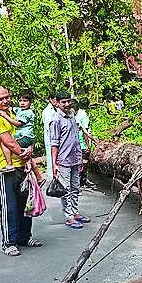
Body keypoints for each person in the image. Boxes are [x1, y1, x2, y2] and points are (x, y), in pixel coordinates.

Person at [0, 85, 42, 256]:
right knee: (9, 206)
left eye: (7, 97)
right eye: (1, 98)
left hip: (22, 166)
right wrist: (27, 156)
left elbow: (26, 133)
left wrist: (30, 150)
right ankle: (9, 242)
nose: (5, 100)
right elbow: (9, 142)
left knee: (26, 203)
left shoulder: (14, 113)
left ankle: (24, 237)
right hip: (5, 169)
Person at [50, 90, 90, 229]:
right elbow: (54, 144)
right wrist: (54, 163)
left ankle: (75, 212)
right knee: (66, 189)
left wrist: (79, 158)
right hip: (63, 160)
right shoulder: (56, 120)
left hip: (75, 158)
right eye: (63, 102)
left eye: (68, 101)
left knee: (75, 187)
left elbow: (75, 139)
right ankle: (69, 216)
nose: (66, 104)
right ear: (57, 103)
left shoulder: (72, 115)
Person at [0, 89, 44, 183]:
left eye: (25, 101)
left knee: (5, 143)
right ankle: (38, 177)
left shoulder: (28, 113)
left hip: (25, 137)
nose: (22, 103)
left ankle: (9, 164)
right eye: (20, 101)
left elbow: (18, 124)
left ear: (31, 102)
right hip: (26, 136)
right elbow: (10, 108)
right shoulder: (20, 110)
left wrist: (5, 116)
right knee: (28, 158)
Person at [74, 98, 92, 187]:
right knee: (84, 163)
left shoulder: (75, 114)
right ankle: (81, 182)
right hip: (83, 144)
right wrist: (88, 145)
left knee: (78, 163)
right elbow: (85, 132)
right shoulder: (83, 115)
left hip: (76, 143)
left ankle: (79, 181)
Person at [42, 91, 58, 178]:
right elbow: (50, 128)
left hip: (56, 140)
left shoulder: (57, 109)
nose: (56, 101)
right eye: (54, 99)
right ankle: (52, 178)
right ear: (50, 99)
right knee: (51, 158)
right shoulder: (48, 111)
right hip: (51, 140)